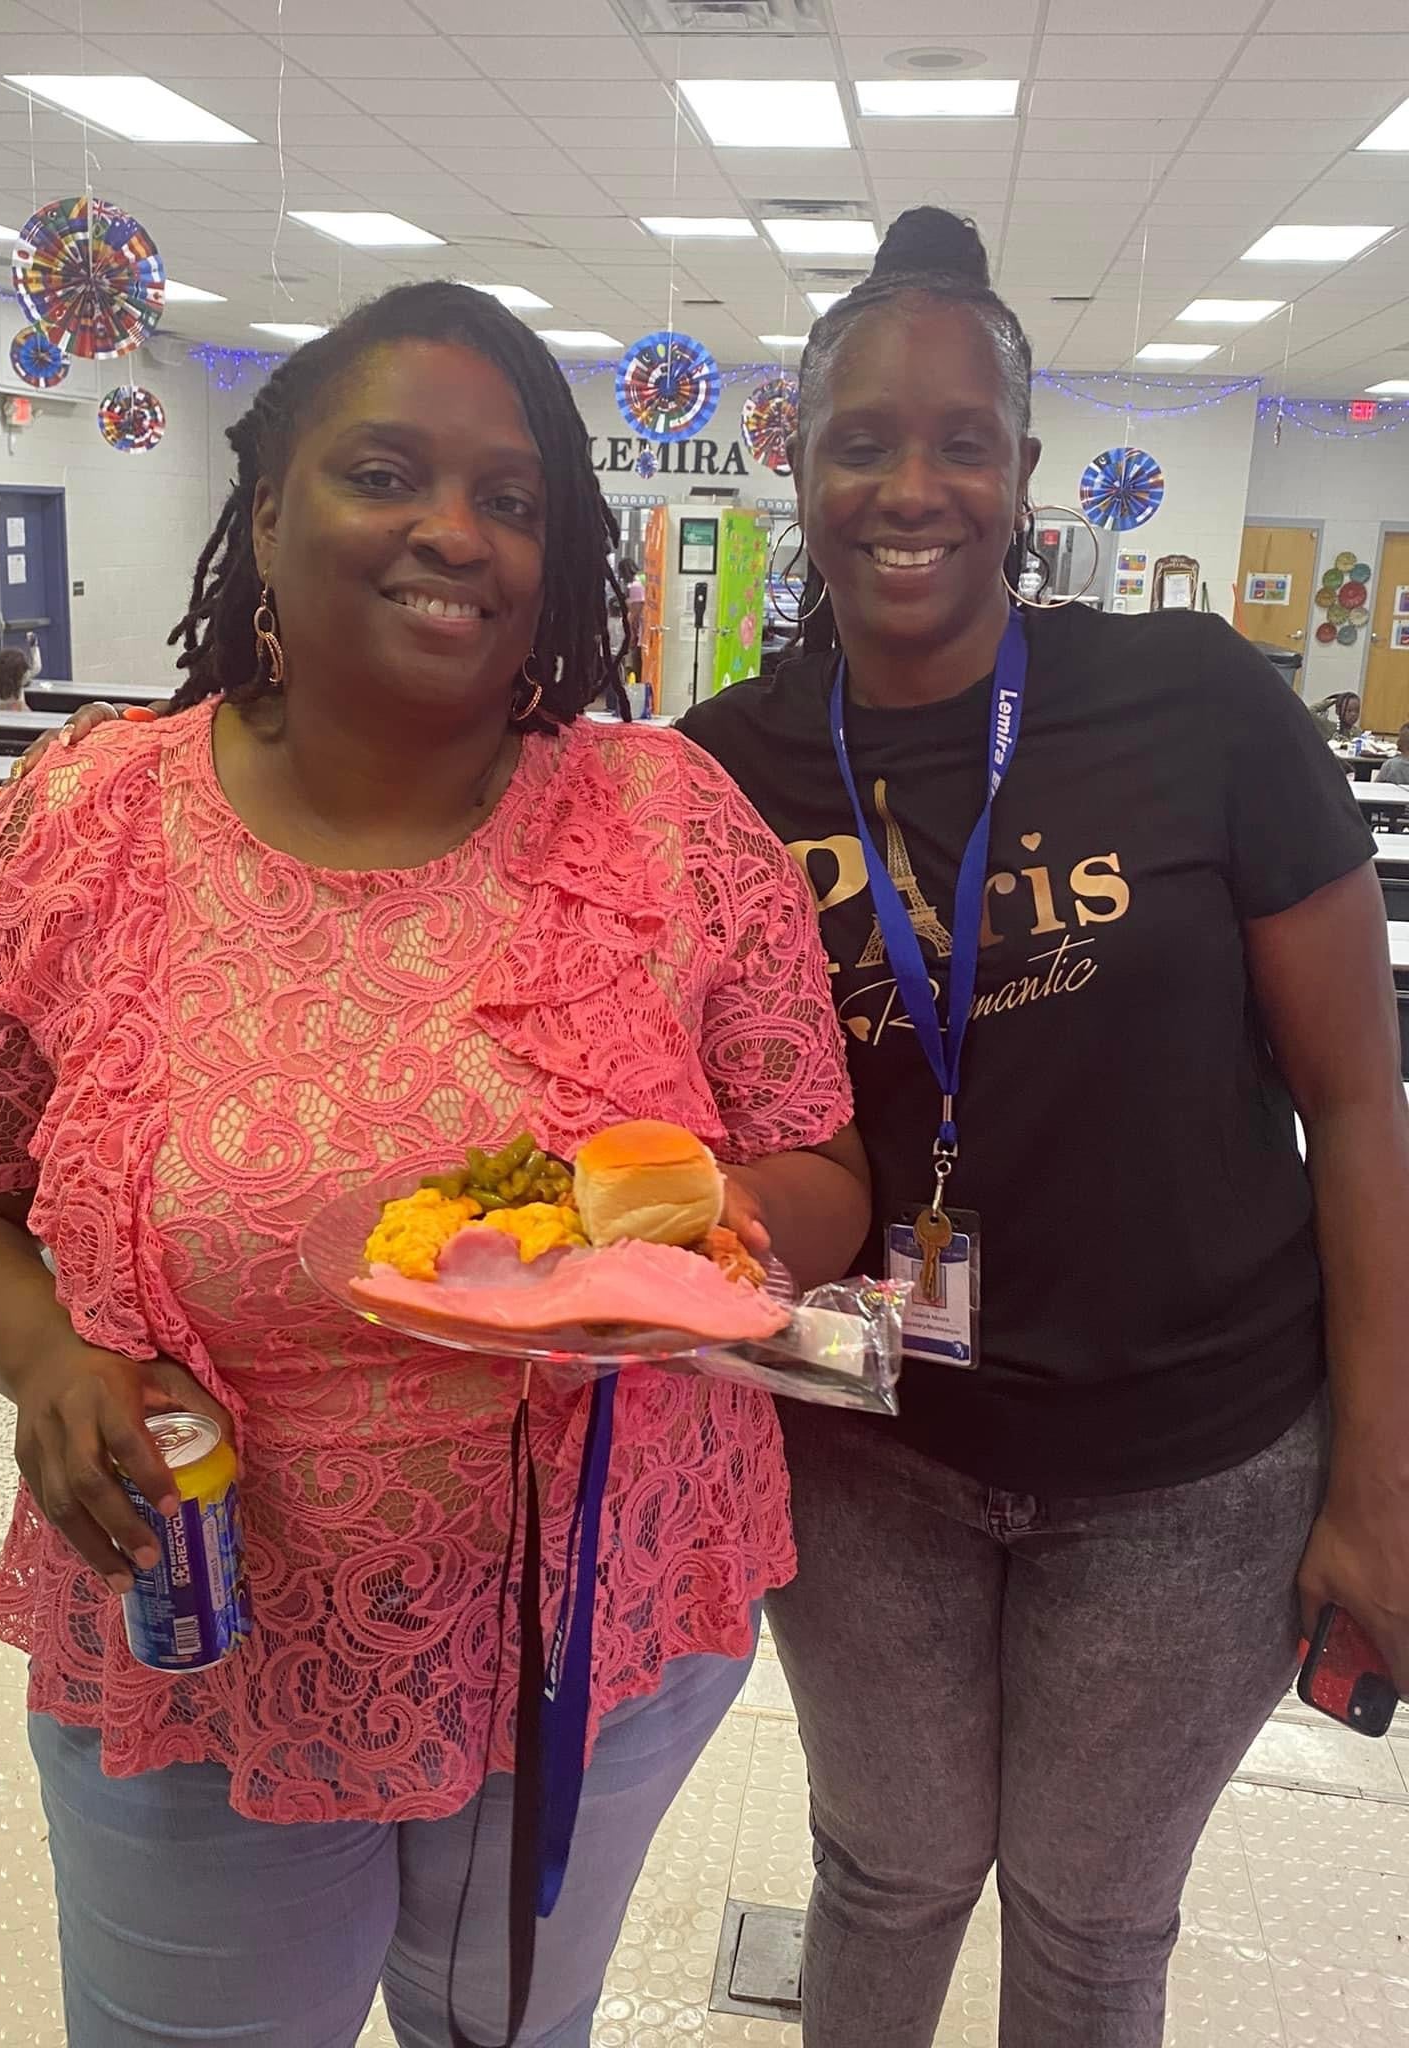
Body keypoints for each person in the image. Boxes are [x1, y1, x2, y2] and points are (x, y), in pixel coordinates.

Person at [0, 281, 869, 2048]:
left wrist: (718, 1232)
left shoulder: (671, 823)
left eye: (511, 499)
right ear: (266, 514)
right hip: (199, 1624)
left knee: (513, 2030)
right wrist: (41, 1355)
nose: (453, 532)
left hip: (591, 1630)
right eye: (386, 472)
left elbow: (820, 1163)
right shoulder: (84, 822)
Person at [678, 207, 1409, 2048]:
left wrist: (1384, 1484)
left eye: (961, 442)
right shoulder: (720, 772)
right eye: (860, 440)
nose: (909, 488)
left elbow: (1355, 1101)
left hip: (1194, 1467)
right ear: (798, 463)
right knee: (885, 1875)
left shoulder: (1200, 705)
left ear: (1022, 469)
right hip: (869, 1446)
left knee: (1091, 1929)